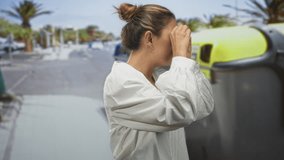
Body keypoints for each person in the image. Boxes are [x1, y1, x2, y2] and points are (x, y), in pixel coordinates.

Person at [103, 3, 214, 160]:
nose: (176, 43)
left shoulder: (163, 78)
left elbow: (203, 106)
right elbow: (179, 113)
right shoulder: (122, 83)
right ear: (149, 38)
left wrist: (187, 61)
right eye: (172, 37)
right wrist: (181, 59)